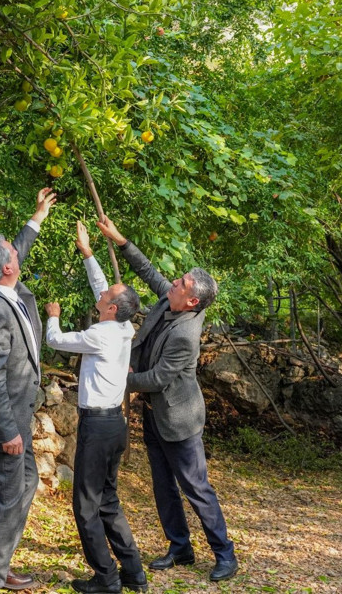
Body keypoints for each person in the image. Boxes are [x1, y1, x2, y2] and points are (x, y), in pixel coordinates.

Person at [96, 216, 239, 582]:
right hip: (155, 414)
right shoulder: (170, 299)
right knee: (163, 484)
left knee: (196, 487)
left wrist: (119, 379)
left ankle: (225, 554)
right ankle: (180, 548)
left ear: (192, 300)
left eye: (181, 283)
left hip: (179, 419)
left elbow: (158, 378)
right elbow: (147, 271)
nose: (173, 282)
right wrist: (120, 239)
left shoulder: (186, 334)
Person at [0, 187, 57, 594]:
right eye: (13, 254)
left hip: (20, 415)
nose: (18, 255)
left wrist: (36, 218)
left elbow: (11, 250)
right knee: (6, 499)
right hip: (5, 427)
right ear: (6, 269)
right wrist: (8, 433)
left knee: (28, 482)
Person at [44, 221, 146, 594]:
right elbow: (102, 287)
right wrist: (88, 253)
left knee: (86, 506)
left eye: (106, 298)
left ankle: (106, 578)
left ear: (112, 308)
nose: (99, 296)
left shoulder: (100, 335)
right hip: (114, 426)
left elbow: (54, 339)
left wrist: (52, 312)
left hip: (97, 428)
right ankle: (134, 573)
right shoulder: (123, 327)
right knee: (108, 501)